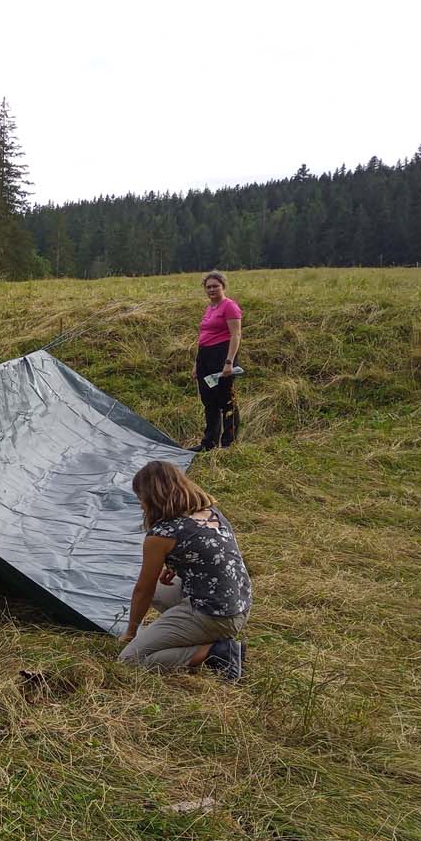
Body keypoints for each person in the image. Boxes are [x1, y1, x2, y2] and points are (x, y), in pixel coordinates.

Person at [117, 460, 250, 680]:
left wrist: (131, 632)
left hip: (214, 616)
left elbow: (143, 590)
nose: (140, 505)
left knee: (130, 660)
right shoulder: (210, 512)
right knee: (160, 588)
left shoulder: (162, 535)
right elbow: (210, 555)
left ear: (151, 498)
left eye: (140, 498)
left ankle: (217, 652)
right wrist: (177, 565)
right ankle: (199, 634)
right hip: (237, 606)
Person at [193, 270, 242, 451]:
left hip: (222, 356)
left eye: (215, 286)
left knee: (226, 400)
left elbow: (236, 335)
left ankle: (228, 443)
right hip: (205, 358)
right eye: (208, 287)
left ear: (223, 287)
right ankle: (209, 443)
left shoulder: (229, 306)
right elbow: (203, 336)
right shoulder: (210, 308)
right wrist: (197, 364)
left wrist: (229, 362)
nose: (212, 290)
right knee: (209, 401)